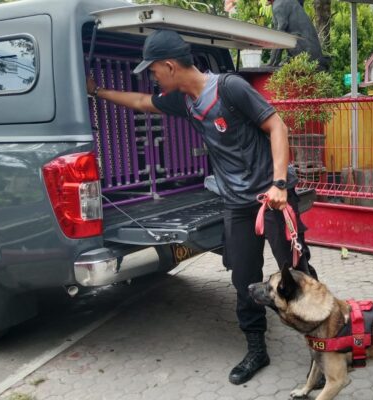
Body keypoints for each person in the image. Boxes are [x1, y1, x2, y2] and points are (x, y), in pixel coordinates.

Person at [87, 29, 318, 385]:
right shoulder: (184, 101)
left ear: (169, 66)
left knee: (298, 272)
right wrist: (97, 91)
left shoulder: (229, 89)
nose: (153, 78)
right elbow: (141, 103)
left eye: (154, 71)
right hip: (237, 205)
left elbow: (277, 126)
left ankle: (325, 351)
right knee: (244, 280)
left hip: (271, 199)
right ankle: (257, 349)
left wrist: (279, 184)